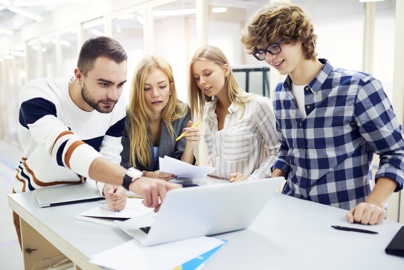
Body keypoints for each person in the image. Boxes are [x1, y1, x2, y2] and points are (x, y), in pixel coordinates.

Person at [240, 2, 404, 225]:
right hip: (292, 214)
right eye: (262, 52)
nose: (269, 58)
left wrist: (374, 204)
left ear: (300, 37)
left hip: (345, 219)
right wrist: (264, 187)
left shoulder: (358, 87)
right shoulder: (279, 94)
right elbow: (288, 151)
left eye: (274, 46)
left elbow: (396, 152)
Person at [13, 36, 181, 246]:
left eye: (120, 85)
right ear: (79, 75)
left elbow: (108, 156)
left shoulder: (114, 107)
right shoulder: (39, 94)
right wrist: (131, 180)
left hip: (84, 197)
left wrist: (110, 187)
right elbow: (64, 147)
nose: (113, 94)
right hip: (36, 198)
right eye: (104, 84)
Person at [189, 45, 279, 182]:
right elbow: (216, 157)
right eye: (197, 77)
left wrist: (251, 180)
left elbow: (277, 152)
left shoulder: (257, 106)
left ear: (225, 70)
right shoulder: (209, 111)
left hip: (248, 195)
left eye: (207, 74)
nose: (201, 82)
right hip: (216, 191)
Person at [121, 55, 201, 180]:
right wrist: (150, 175)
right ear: (139, 92)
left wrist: (190, 145)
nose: (155, 94)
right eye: (147, 88)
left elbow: (183, 167)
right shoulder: (126, 118)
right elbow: (123, 166)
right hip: (135, 190)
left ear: (171, 88)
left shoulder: (183, 112)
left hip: (172, 188)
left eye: (162, 86)